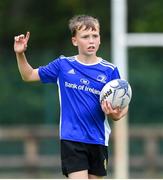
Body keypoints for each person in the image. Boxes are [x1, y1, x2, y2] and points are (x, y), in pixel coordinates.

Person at [14, 15, 128, 179]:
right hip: (72, 138)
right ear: (75, 41)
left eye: (95, 36)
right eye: (85, 37)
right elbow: (29, 75)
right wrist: (20, 54)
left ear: (100, 39)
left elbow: (122, 106)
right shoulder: (63, 65)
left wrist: (116, 114)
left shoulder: (109, 70)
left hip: (98, 139)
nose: (91, 41)